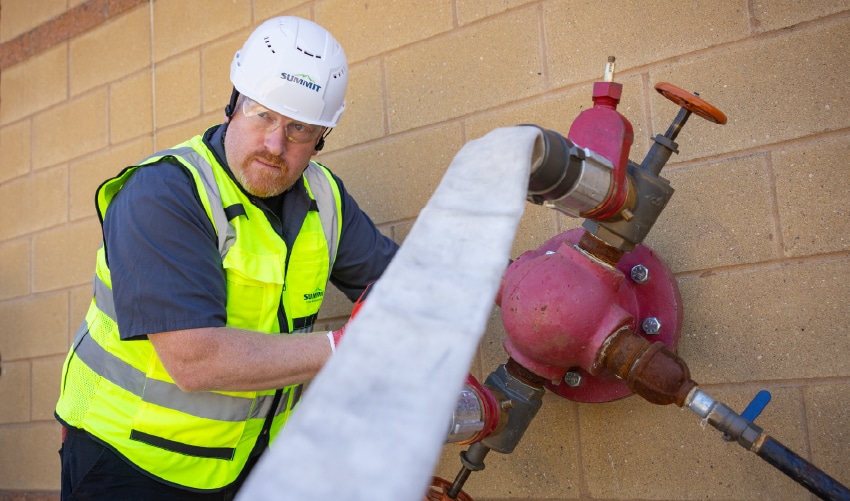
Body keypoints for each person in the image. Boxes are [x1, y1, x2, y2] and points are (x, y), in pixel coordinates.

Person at [54, 16, 398, 500]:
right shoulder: (166, 192)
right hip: (128, 462)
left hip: (244, 467)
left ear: (322, 136)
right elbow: (196, 359)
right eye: (262, 114)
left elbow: (401, 283)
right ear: (234, 104)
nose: (275, 144)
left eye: (298, 128)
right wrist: (346, 347)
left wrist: (503, 283)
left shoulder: (326, 199)